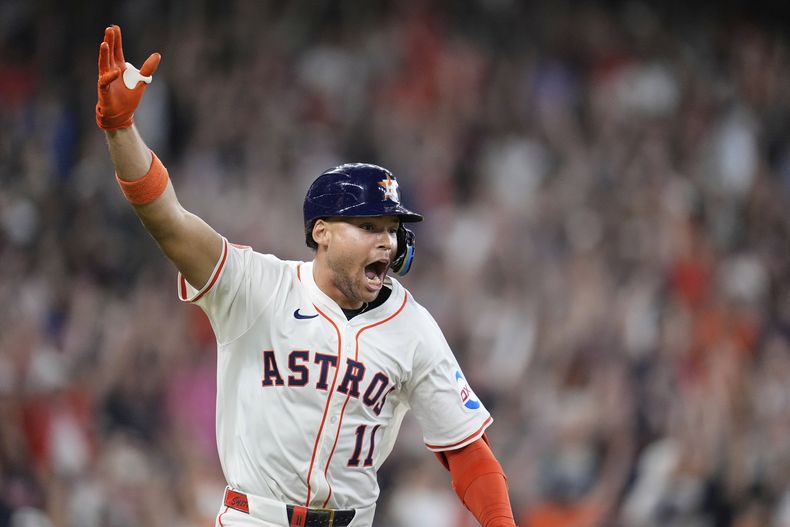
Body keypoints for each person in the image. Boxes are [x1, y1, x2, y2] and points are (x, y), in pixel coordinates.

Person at [95, 25, 517, 527]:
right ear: (321, 232)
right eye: (367, 226)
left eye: (392, 229)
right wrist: (121, 128)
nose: (386, 240)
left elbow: (468, 451)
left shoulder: (414, 326)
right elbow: (169, 220)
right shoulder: (258, 287)